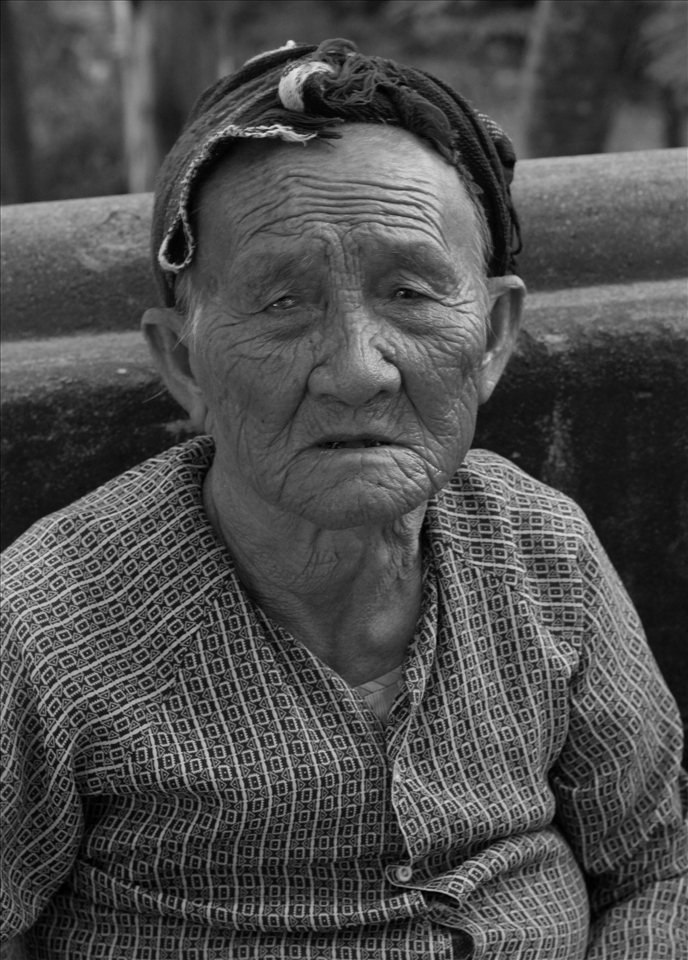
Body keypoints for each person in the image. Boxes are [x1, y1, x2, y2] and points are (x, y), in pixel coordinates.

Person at [1, 38, 686, 960]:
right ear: (181, 361)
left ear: (490, 339)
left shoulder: (542, 552)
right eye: (285, 302)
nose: (358, 370)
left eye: (411, 292)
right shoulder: (48, 626)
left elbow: (660, 863)